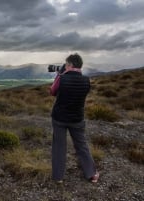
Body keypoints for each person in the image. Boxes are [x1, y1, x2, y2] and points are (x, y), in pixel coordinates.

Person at [50, 53, 99, 183]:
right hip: (77, 118)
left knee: (59, 146)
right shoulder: (86, 80)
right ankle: (92, 174)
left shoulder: (62, 78)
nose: (64, 66)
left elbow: (52, 91)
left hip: (59, 118)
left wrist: (59, 75)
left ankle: (58, 177)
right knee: (81, 145)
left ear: (70, 65)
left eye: (66, 64)